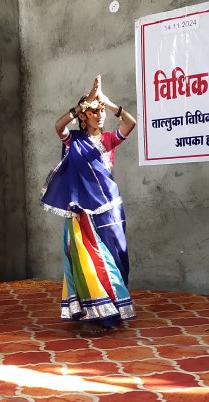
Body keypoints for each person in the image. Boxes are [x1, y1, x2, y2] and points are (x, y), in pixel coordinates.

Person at [41, 75, 138, 333]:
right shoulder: (73, 140)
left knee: (117, 259)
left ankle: (116, 307)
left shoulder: (109, 140)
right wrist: (81, 105)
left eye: (101, 111)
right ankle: (97, 314)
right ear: (83, 116)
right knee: (89, 262)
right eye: (94, 111)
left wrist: (107, 101)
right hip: (83, 212)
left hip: (111, 209)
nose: (100, 115)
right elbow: (58, 126)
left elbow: (130, 123)